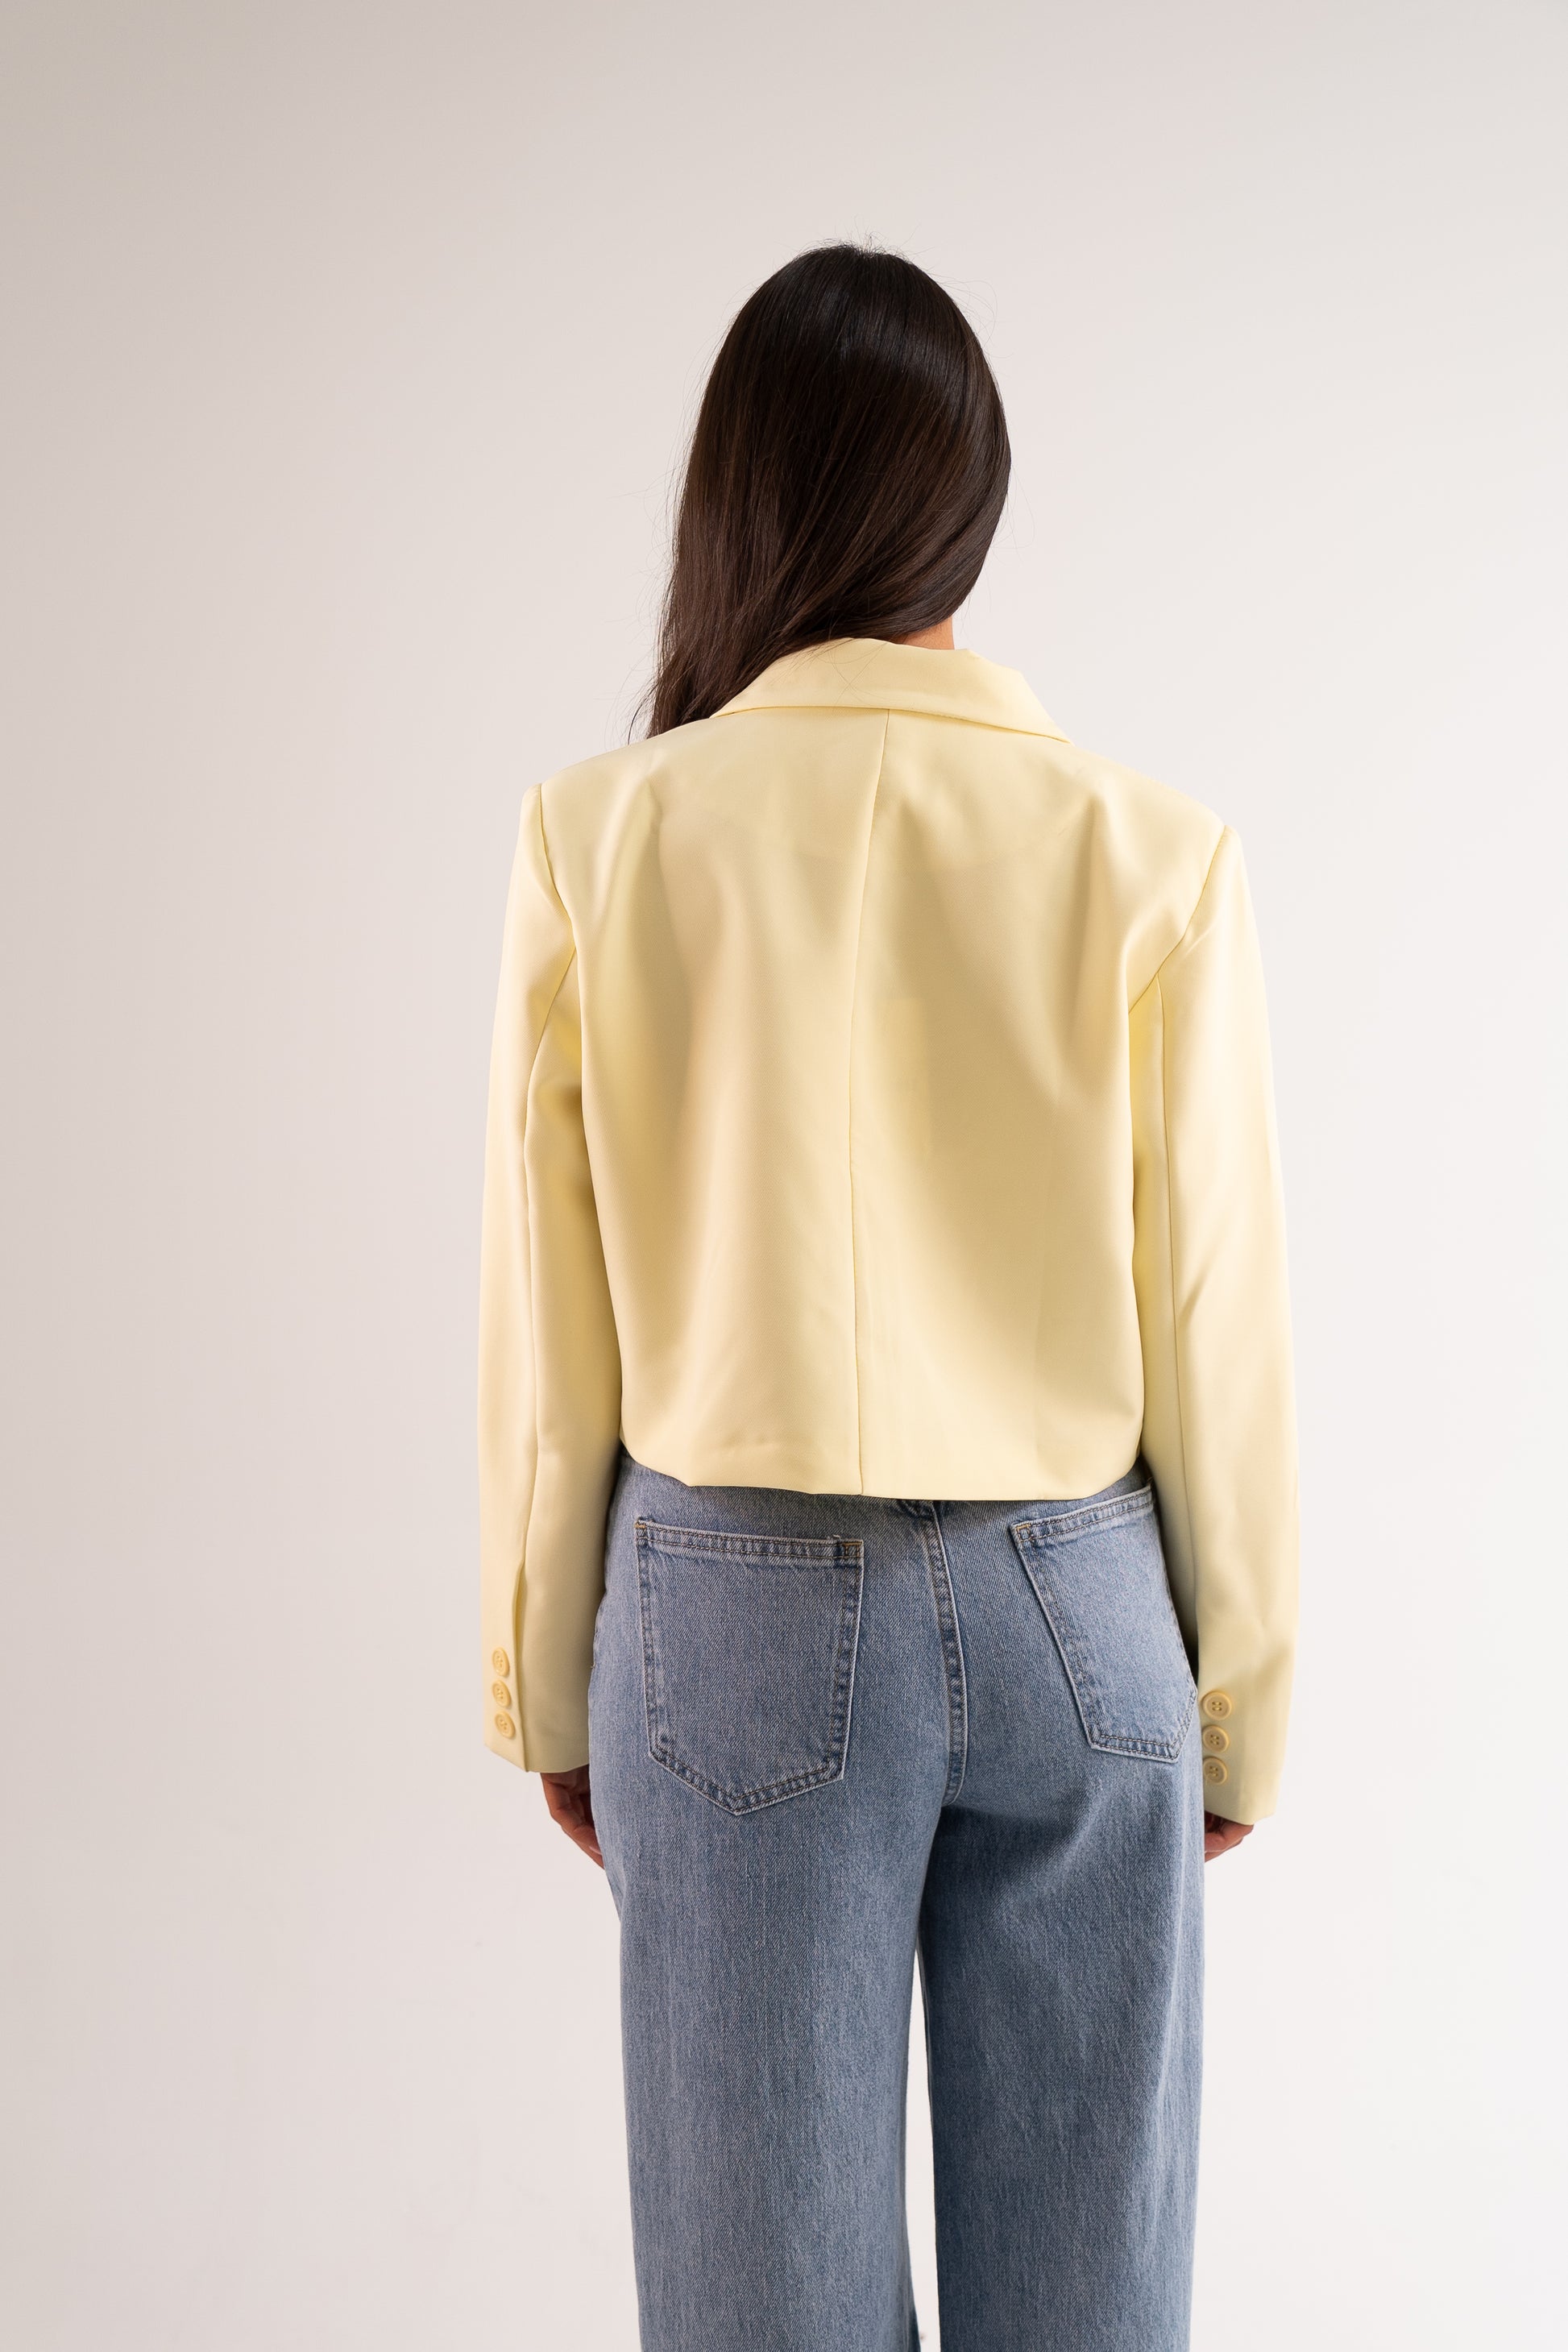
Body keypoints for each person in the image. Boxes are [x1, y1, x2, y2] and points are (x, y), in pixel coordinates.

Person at [478, 243, 1297, 2352]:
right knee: (1097, 2307)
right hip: (1077, 1607)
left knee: (763, 2313)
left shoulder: (600, 836)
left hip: (731, 1621)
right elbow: (1212, 1310)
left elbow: (551, 1337)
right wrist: (1238, 1697)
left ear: (738, 495)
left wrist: (545, 1683)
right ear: (972, 503)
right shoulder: (1149, 849)